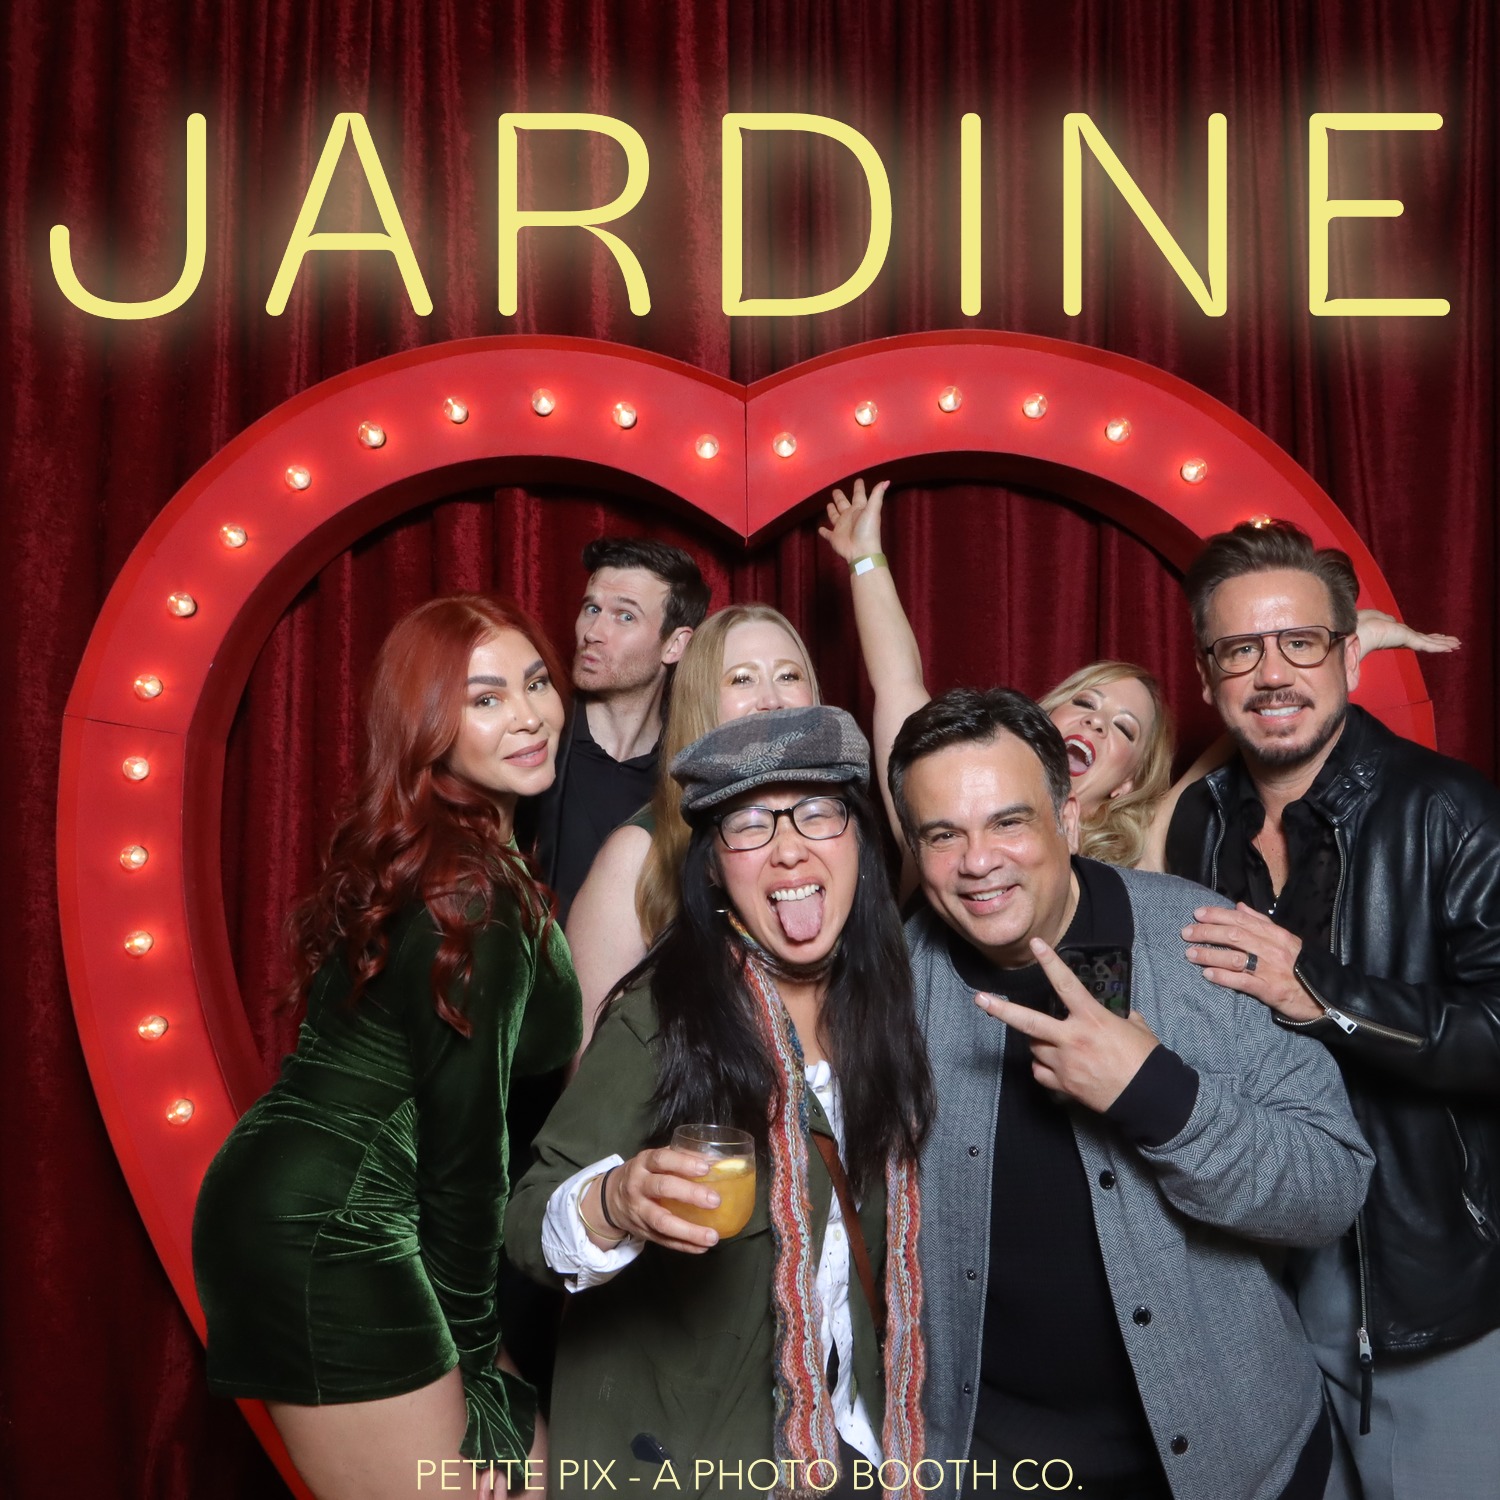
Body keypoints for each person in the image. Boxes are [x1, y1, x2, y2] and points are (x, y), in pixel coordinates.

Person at [887, 686, 1373, 1500]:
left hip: (1232, 1468)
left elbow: (1331, 1187)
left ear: (1068, 820)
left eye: (1009, 822)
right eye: (944, 835)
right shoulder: (889, 991)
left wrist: (1158, 1095)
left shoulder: (1200, 942)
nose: (978, 861)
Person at [192, 595, 582, 1500]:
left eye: (535, 683)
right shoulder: (470, 893)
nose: (529, 715)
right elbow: (464, 1159)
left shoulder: (472, 855)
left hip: (345, 1205)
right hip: (332, 1224)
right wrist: (480, 1372)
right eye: (485, 699)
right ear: (425, 727)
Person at [506, 706, 935, 1494]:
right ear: (712, 869)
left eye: (818, 811)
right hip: (688, 1465)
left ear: (861, 843)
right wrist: (614, 1201)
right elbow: (528, 1223)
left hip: (852, 1446)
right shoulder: (663, 1017)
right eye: (749, 825)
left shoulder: (893, 1010)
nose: (789, 847)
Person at [1164, 519, 1500, 1500]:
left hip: (1421, 1294)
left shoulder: (1449, 810)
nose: (1272, 672)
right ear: (1207, 677)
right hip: (1250, 1298)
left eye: (1301, 642)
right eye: (1240, 649)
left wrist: (1322, 994)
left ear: (1351, 656)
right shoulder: (1200, 820)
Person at [822, 477, 1458, 871]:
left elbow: (1250, 722)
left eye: (1124, 729)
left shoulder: (1139, 852)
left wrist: (1339, 647)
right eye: (1085, 704)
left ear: (1127, 784)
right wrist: (865, 557)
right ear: (1043, 717)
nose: (1097, 725)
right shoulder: (945, 815)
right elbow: (898, 682)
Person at [565, 603, 819, 1049]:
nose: (772, 699)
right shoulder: (636, 855)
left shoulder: (837, 837)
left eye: (788, 675)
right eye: (742, 679)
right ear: (701, 700)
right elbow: (588, 1063)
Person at [526, 537, 709, 923]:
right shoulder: (535, 736)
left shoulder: (692, 768)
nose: (593, 632)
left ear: (675, 645)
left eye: (624, 616)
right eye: (592, 608)